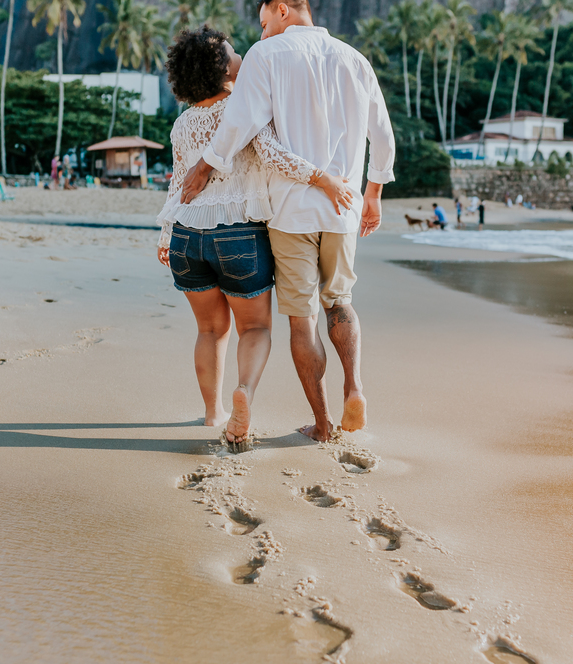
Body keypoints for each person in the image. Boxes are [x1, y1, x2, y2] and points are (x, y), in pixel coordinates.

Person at [181, 0, 396, 442]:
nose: (260, 35)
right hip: (343, 206)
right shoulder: (355, 59)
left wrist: (205, 165)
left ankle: (321, 424)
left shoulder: (267, 55)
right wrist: (373, 194)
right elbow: (383, 132)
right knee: (341, 301)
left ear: (282, 10)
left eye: (263, 23)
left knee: (302, 320)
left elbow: (243, 121)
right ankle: (354, 386)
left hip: (288, 211)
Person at [157, 26, 353, 446]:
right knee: (255, 329)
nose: (240, 53)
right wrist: (322, 179)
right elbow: (274, 156)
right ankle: (243, 391)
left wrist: (165, 233)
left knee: (209, 330)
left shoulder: (182, 124)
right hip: (238, 235)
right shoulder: (244, 109)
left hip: (186, 239)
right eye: (232, 52)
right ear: (224, 69)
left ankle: (213, 413)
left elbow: (178, 184)